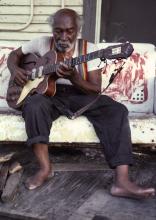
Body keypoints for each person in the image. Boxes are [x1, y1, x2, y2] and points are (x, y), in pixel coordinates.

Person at [7, 8, 155, 199]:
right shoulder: (41, 43)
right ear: (52, 30)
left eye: (69, 31)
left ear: (77, 30)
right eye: (58, 31)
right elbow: (14, 56)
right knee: (34, 105)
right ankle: (45, 169)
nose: (63, 36)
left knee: (116, 110)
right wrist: (15, 70)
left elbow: (94, 89)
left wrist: (74, 77)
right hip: (48, 95)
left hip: (79, 93)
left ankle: (122, 181)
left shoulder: (89, 50)